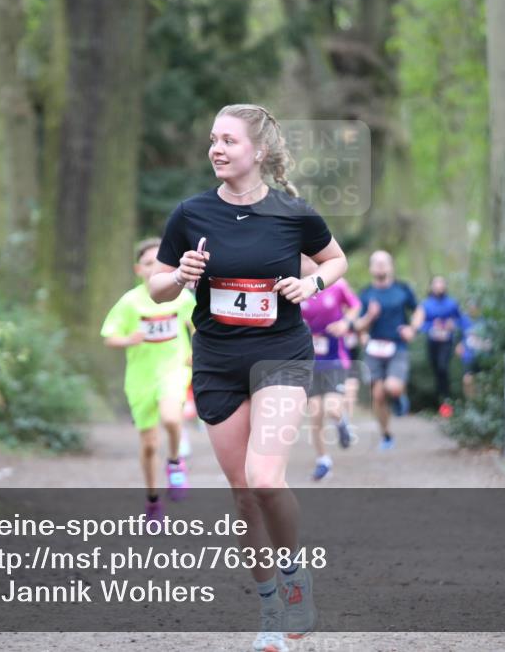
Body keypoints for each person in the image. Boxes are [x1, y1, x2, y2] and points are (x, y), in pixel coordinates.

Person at [149, 104, 348, 652]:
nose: (217, 149)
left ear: (257, 152)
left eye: (229, 141)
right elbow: (157, 289)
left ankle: (293, 580)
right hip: (217, 361)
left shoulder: (293, 213)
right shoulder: (190, 214)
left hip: (280, 353)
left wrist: (313, 287)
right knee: (242, 496)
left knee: (265, 478)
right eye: (213, 139)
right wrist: (179, 276)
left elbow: (336, 261)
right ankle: (267, 609)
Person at [101, 238, 196, 519]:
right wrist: (129, 339)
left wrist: (197, 350)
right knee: (150, 443)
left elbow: (199, 324)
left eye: (159, 262)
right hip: (140, 378)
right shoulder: (129, 302)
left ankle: (175, 462)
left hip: (173, 369)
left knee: (171, 418)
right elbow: (109, 336)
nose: (153, 267)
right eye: (147, 263)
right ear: (137, 269)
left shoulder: (181, 297)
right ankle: (153, 502)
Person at [300, 254, 361, 481]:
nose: (305, 263)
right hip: (310, 361)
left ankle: (341, 421)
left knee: (332, 408)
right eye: (301, 259)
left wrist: (345, 323)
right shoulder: (294, 288)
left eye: (308, 259)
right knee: (315, 412)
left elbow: (355, 306)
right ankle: (323, 460)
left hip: (335, 358)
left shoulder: (336, 285)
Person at [354, 251, 420, 450]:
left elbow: (419, 310)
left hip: (397, 347)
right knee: (378, 396)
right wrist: (369, 317)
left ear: (391, 267)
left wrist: (412, 328)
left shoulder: (402, 289)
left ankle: (399, 397)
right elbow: (357, 325)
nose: (381, 266)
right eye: (376, 263)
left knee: (392, 387)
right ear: (371, 268)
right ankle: (386, 434)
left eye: (384, 263)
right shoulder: (365, 294)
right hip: (374, 350)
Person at [411, 275, 463, 415]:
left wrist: (452, 325)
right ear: (431, 286)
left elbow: (462, 321)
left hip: (447, 343)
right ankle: (439, 403)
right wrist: (432, 326)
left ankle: (447, 402)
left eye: (442, 283)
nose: (439, 286)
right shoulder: (426, 305)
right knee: (437, 371)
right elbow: (420, 324)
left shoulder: (452, 303)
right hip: (432, 343)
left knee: (443, 368)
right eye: (436, 283)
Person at [456, 298, 492, 400]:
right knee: (468, 379)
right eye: (470, 307)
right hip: (468, 355)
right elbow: (457, 334)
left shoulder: (485, 320)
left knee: (484, 380)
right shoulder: (463, 320)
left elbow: (491, 338)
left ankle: (483, 402)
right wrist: (458, 345)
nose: (472, 309)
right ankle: (470, 402)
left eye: (475, 307)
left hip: (484, 355)